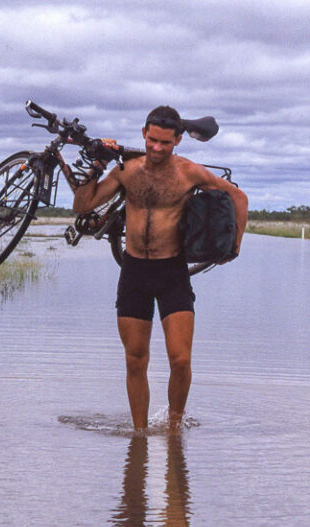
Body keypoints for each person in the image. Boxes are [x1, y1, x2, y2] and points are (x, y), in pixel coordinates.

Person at [71, 106, 248, 432]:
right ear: (144, 134)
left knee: (180, 359)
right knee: (135, 359)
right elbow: (83, 205)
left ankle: (174, 427)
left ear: (178, 140)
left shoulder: (188, 172)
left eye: (165, 142)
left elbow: (238, 197)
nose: (156, 148)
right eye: (152, 140)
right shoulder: (127, 171)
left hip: (172, 272)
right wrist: (96, 167)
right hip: (134, 272)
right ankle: (139, 434)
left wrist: (233, 246)